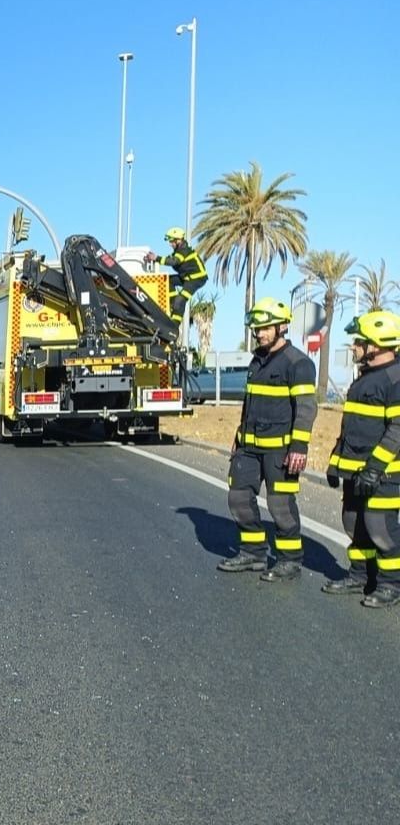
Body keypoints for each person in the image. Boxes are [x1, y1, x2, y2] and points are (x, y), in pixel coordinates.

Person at [219, 298, 319, 582]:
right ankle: (253, 553)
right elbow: (249, 403)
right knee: (238, 498)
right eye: (256, 328)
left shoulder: (298, 363)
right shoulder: (256, 360)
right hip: (249, 449)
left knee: (280, 507)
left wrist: (299, 447)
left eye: (265, 328)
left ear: (282, 326)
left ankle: (289, 561)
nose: (259, 333)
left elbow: (306, 408)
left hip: (280, 451)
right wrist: (239, 436)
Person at [323, 310, 400, 606]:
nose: (354, 346)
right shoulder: (364, 379)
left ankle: (391, 585)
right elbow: (352, 428)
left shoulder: (394, 379)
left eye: (359, 341)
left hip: (384, 475)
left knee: (381, 527)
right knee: (353, 523)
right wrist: (335, 462)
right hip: (354, 472)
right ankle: (360, 576)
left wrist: (374, 469)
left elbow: (397, 430)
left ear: (377, 344)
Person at [150, 227, 209, 319]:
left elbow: (173, 261)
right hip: (186, 277)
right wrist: (153, 260)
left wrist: (157, 258)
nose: (170, 244)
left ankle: (174, 325)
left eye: (171, 241)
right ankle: (173, 303)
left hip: (196, 279)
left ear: (178, 241)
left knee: (180, 300)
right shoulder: (177, 251)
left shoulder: (184, 251)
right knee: (167, 280)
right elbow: (169, 259)